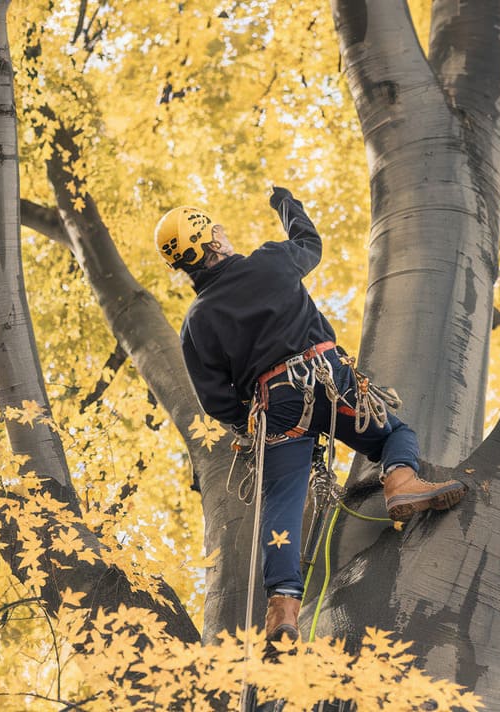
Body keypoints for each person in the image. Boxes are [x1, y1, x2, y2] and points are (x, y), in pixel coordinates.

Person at [155, 187, 466, 649]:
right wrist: (285, 203)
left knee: (281, 502)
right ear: (212, 241)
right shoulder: (270, 262)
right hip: (328, 379)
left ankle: (282, 609)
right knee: (394, 435)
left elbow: (216, 401)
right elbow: (309, 243)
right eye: (218, 230)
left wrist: (249, 422)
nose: (224, 233)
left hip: (275, 409)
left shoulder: (197, 322)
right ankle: (401, 481)